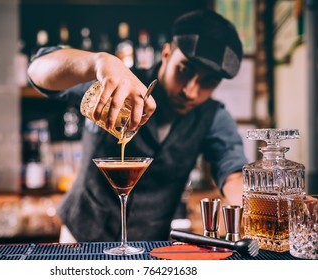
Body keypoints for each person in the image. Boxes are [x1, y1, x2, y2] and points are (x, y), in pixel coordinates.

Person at [27, 9, 248, 242]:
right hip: (81, 234)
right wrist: (97, 61)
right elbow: (36, 72)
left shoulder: (213, 116)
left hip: (149, 245)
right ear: (165, 54)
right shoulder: (116, 83)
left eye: (208, 82)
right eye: (183, 70)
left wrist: (249, 206)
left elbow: (232, 171)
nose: (190, 91)